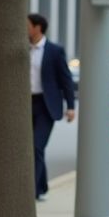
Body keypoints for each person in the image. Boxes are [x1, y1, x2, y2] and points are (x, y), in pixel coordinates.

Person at [27, 13, 75, 201]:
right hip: (25, 105)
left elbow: (66, 79)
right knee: (31, 148)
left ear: (37, 27)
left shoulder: (55, 50)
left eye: (27, 25)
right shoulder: (22, 49)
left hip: (46, 106)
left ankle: (30, 191)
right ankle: (41, 186)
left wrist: (70, 106)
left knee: (36, 146)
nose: (24, 28)